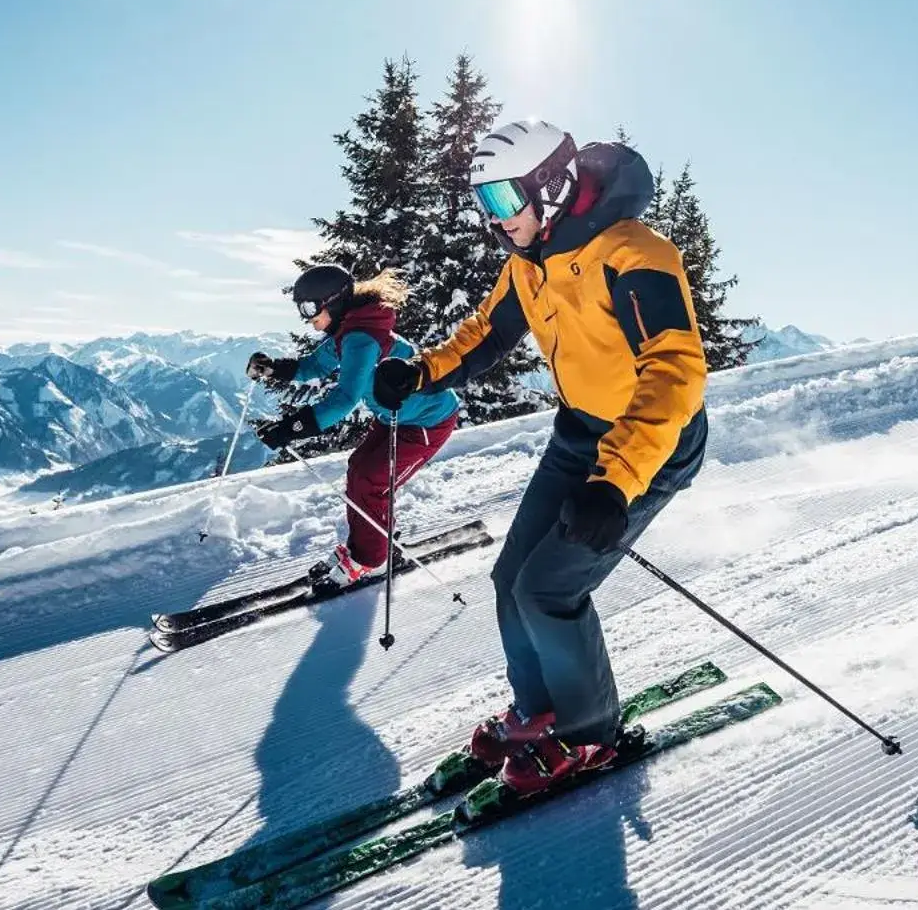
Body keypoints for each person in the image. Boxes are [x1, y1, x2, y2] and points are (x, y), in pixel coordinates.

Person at [375, 119, 708, 795]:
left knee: (549, 587)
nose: (494, 219)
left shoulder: (634, 254)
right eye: (483, 203)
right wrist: (421, 374)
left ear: (550, 187)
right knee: (511, 579)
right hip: (580, 432)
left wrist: (615, 483)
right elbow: (486, 333)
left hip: (650, 443)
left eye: (502, 199)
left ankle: (590, 734)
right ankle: (539, 708)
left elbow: (675, 371)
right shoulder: (530, 260)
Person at [247, 265, 461, 588]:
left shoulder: (361, 339)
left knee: (372, 480)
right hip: (395, 419)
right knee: (359, 469)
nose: (307, 318)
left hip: (427, 422)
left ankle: (373, 560)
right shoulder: (350, 330)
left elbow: (345, 398)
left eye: (310, 308)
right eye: (301, 309)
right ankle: (366, 545)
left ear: (332, 302)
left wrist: (289, 429)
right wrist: (274, 369)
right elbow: (315, 365)